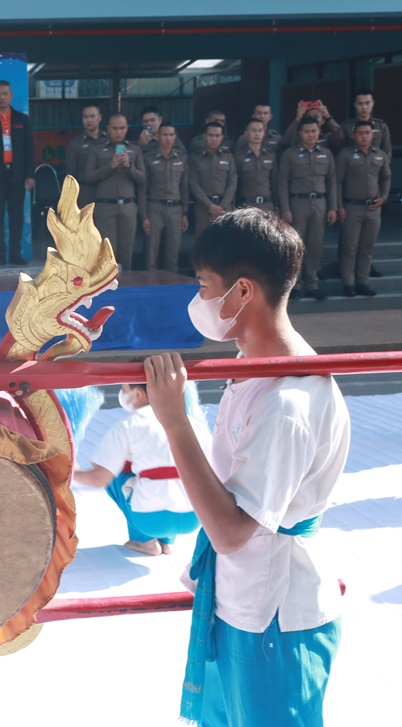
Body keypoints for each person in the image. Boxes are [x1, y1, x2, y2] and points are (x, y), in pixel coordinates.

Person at [143, 209, 347, 726]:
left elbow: (233, 532)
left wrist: (174, 422)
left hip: (274, 616)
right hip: (243, 601)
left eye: (203, 286)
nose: (198, 300)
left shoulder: (287, 404)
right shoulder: (254, 367)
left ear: (241, 292)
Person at [74, 382, 208, 555]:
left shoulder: (128, 425)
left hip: (149, 521)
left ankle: (144, 542)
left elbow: (98, 479)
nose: (121, 393)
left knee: (115, 476)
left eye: (124, 389)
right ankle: (167, 542)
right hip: (194, 517)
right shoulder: (194, 423)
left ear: (138, 394)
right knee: (173, 473)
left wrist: (72, 472)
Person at [278, 116, 337, 301]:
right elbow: (282, 183)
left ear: (319, 132)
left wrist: (333, 207)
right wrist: (285, 208)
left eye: (314, 131)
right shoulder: (290, 154)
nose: (310, 135)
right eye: (306, 131)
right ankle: (294, 285)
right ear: (300, 133)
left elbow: (332, 183)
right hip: (298, 203)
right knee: (295, 246)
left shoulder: (326, 154)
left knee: (315, 245)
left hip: (320, 203)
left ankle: (312, 284)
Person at [0, 80, 35, 266]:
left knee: (16, 216)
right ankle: (0, 254)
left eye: (5, 94)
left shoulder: (22, 119)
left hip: (17, 174)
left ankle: (15, 254)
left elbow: (29, 148)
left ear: (11, 96)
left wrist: (30, 174)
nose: (1, 97)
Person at [335, 120, 390, 298]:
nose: (364, 136)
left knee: (367, 248)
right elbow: (337, 182)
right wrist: (339, 206)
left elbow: (386, 178)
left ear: (372, 135)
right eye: (360, 133)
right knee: (350, 248)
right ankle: (348, 283)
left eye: (367, 133)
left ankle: (363, 282)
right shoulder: (345, 155)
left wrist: (384, 197)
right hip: (351, 207)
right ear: (354, 136)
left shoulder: (380, 155)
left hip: (373, 208)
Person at [83, 112, 145, 270]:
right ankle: (108, 283)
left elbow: (143, 178)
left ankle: (127, 282)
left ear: (127, 129)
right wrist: (110, 166)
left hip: (128, 205)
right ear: (108, 129)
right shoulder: (97, 150)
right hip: (106, 206)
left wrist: (129, 166)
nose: (118, 132)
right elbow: (88, 176)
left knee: (127, 250)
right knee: (107, 252)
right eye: (115, 128)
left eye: (122, 128)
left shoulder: (135, 149)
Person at [141, 122, 189, 272]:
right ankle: (150, 283)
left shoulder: (181, 158)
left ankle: (172, 284)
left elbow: (184, 187)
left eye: (171, 135)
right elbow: (142, 189)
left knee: (172, 254)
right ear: (158, 136)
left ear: (175, 137)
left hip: (176, 209)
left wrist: (185, 212)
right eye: (165, 135)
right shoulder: (149, 158)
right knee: (151, 253)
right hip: (155, 207)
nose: (168, 138)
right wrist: (144, 216)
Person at [188, 122, 238, 236]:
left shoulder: (228, 156)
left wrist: (221, 207)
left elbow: (233, 182)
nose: (214, 139)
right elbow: (194, 184)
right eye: (210, 135)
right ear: (204, 136)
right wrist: (210, 206)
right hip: (203, 209)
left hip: (225, 208)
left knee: (225, 243)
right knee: (203, 242)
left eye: (217, 136)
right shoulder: (195, 158)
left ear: (222, 138)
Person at [65, 104, 106, 206]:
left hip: (107, 192)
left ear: (99, 117)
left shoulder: (109, 139)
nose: (89, 120)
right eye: (85, 117)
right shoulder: (75, 143)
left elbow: (122, 155)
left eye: (92, 116)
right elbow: (71, 174)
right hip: (85, 192)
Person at [235, 119, 277, 213]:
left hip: (267, 206)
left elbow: (274, 183)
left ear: (264, 133)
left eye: (260, 130)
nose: (257, 134)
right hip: (246, 206)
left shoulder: (270, 155)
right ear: (246, 133)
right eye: (253, 130)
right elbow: (235, 185)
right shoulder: (239, 157)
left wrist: (278, 206)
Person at [340, 90, 391, 161]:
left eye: (367, 103)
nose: (364, 107)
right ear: (355, 105)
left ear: (373, 103)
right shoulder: (346, 127)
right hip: (353, 165)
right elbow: (341, 153)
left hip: (376, 166)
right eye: (360, 104)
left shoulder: (381, 126)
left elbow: (387, 153)